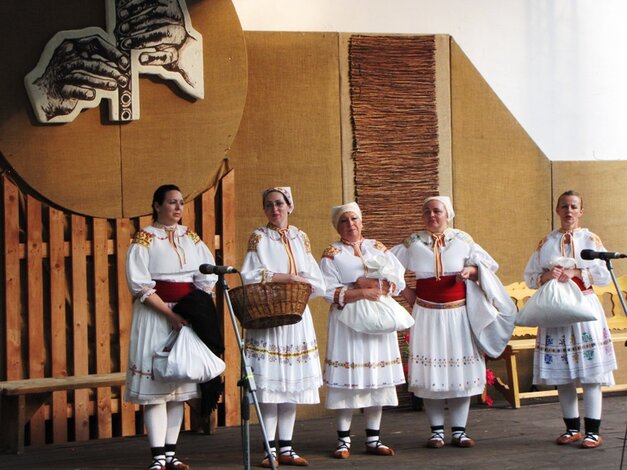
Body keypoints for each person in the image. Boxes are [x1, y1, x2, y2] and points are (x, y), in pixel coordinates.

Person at [391, 196, 499, 449]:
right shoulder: (413, 242)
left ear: (447, 214)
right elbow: (386, 267)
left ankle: (459, 431)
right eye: (426, 211)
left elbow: (490, 265)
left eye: (437, 211)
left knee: (459, 371)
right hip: (427, 315)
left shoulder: (463, 240)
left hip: (458, 314)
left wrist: (472, 272)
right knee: (432, 372)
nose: (432, 215)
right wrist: (407, 292)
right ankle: (437, 432)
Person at [125, 184, 218, 470]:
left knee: (180, 388)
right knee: (157, 390)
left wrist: (194, 311)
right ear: (156, 205)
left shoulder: (191, 237)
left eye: (180, 203)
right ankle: (156, 457)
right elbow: (139, 284)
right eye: (171, 203)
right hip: (156, 316)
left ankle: (170, 454)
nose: (178, 208)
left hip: (187, 316)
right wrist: (169, 313)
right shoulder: (144, 239)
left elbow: (206, 275)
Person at [523, 190, 617, 449]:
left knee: (591, 374)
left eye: (574, 206)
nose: (569, 211)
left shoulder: (590, 239)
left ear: (581, 211)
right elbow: (531, 276)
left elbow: (603, 276)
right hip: (555, 309)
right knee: (563, 374)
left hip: (584, 308)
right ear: (557, 210)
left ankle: (593, 431)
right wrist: (547, 275)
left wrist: (577, 271)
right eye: (564, 206)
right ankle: (572, 428)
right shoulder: (546, 242)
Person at [240, 186, 325, 468]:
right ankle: (268, 450)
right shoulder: (259, 238)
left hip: (296, 315)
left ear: (289, 205)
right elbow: (249, 274)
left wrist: (303, 282)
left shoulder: (301, 237)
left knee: (290, 386)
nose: (274, 209)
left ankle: (286, 448)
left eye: (279, 203)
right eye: (268, 205)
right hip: (269, 316)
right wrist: (288, 277)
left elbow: (315, 278)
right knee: (271, 387)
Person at [319, 202, 407, 459]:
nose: (350, 225)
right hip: (348, 321)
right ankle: (343, 440)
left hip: (377, 318)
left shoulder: (377, 247)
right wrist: (361, 291)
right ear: (338, 226)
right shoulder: (332, 253)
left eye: (354, 219)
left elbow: (397, 280)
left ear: (362, 222)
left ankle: (373, 438)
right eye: (344, 221)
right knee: (349, 380)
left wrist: (373, 283)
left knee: (376, 377)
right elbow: (327, 291)